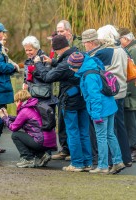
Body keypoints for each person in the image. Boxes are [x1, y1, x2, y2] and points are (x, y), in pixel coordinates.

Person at [33, 35, 92, 172]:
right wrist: (53, 62)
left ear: (57, 48)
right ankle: (87, 162)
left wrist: (38, 64)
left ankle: (77, 163)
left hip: (69, 100)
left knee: (72, 131)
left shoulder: (65, 63)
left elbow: (48, 77)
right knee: (84, 131)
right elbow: (63, 67)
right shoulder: (79, 55)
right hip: (83, 97)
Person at [69, 52, 125, 174]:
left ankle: (103, 165)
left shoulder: (88, 77)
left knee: (101, 137)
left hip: (101, 110)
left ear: (77, 66)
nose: (70, 69)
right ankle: (118, 161)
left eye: (71, 66)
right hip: (110, 106)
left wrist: (96, 115)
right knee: (110, 135)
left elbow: (95, 97)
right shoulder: (94, 66)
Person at [95, 25, 132, 167]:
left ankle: (112, 160)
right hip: (121, 89)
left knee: (109, 129)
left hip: (110, 93)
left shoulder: (104, 52)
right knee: (120, 125)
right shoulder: (122, 50)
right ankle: (126, 157)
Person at [0, 90, 56, 168]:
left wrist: (3, 117)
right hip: (50, 141)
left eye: (15, 102)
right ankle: (42, 155)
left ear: (19, 100)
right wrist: (7, 116)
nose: (15, 104)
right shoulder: (34, 106)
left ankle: (28, 159)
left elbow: (13, 127)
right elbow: (20, 119)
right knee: (29, 136)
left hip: (41, 141)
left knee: (16, 135)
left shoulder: (25, 111)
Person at [52, 20, 84, 161]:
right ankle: (64, 148)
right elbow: (58, 64)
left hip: (73, 90)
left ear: (69, 31)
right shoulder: (57, 43)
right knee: (62, 122)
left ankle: (76, 154)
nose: (59, 33)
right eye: (58, 31)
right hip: (60, 89)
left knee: (75, 125)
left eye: (61, 31)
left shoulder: (79, 45)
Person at [21, 35, 58, 105]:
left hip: (44, 98)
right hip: (31, 97)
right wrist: (25, 82)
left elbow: (47, 77)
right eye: (26, 50)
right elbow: (26, 76)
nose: (28, 52)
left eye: (30, 50)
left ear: (37, 48)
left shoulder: (45, 59)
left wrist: (33, 71)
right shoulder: (28, 61)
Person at [118, 28, 136, 162]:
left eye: (120, 40)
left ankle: (132, 148)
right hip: (132, 92)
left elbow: (132, 73)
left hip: (132, 94)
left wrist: (127, 92)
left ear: (125, 39)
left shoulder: (132, 51)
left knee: (131, 122)